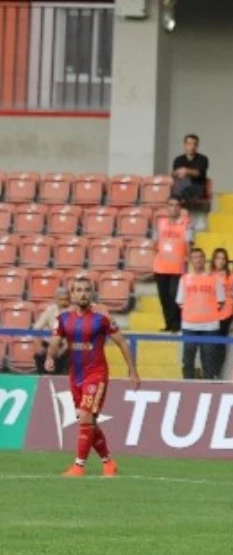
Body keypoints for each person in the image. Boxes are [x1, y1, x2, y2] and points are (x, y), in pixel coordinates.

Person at [44, 277, 141, 477]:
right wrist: (49, 357)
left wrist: (132, 370)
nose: (82, 294)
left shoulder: (101, 318)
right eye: (78, 290)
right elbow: (55, 340)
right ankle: (108, 462)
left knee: (86, 417)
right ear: (72, 294)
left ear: (91, 293)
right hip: (75, 376)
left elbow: (122, 342)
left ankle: (78, 466)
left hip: (96, 374)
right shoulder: (63, 319)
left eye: (86, 290)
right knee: (89, 421)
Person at [177, 247, 226, 379]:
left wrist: (206, 312)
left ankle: (208, 387)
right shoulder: (184, 279)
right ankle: (188, 385)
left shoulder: (215, 279)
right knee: (187, 359)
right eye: (195, 257)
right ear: (191, 261)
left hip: (210, 326)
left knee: (209, 360)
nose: (198, 259)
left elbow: (221, 301)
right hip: (189, 325)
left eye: (200, 256)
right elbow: (180, 302)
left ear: (204, 259)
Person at [153, 196, 191, 333]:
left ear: (180, 208)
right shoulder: (160, 223)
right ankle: (168, 324)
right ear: (167, 207)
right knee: (164, 297)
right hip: (160, 266)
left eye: (176, 205)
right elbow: (154, 243)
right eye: (171, 205)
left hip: (177, 267)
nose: (173, 208)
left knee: (175, 296)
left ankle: (177, 325)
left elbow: (189, 243)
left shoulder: (186, 223)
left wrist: (187, 259)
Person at [33, 287, 71, 375]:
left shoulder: (73, 312)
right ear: (56, 299)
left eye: (66, 300)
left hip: (66, 347)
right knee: (39, 355)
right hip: (48, 346)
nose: (64, 302)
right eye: (61, 300)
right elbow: (36, 329)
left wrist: (62, 350)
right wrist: (40, 346)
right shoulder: (50, 311)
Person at [211, 247, 233, 373]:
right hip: (210, 313)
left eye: (223, 258)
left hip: (225, 312)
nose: (220, 261)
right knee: (210, 344)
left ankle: (216, 371)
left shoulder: (230, 276)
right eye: (218, 258)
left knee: (220, 343)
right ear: (213, 260)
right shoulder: (208, 276)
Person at [171, 133, 209, 204]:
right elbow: (174, 174)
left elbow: (198, 173)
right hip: (181, 186)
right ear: (185, 145)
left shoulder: (203, 159)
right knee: (176, 187)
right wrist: (178, 173)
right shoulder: (178, 159)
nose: (192, 146)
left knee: (179, 193)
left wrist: (186, 171)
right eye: (189, 144)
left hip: (197, 187)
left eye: (194, 144)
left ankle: (177, 200)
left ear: (197, 146)